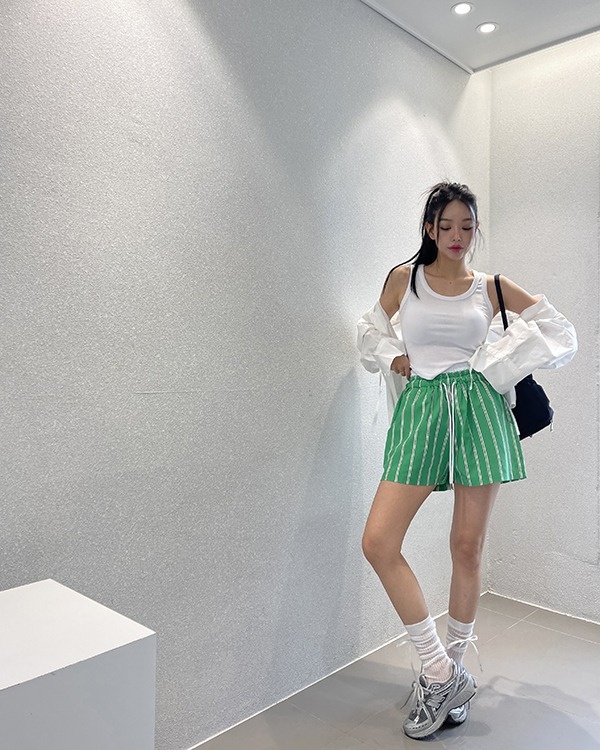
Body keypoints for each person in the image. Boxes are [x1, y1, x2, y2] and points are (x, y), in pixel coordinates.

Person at [356, 182, 577, 739]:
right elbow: (368, 330)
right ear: (429, 228)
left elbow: (560, 331)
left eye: (467, 226)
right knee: (378, 541)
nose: (457, 236)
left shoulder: (492, 287)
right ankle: (439, 669)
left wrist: (500, 362)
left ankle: (449, 675)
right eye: (446, 225)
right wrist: (394, 355)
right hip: (423, 409)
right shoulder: (404, 280)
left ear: (476, 229)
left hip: (479, 411)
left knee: (466, 545)